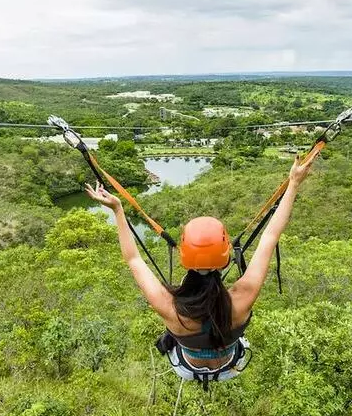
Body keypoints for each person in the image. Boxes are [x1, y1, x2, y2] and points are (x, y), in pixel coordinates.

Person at [84, 154, 315, 385]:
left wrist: (118, 209)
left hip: (186, 368)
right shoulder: (242, 297)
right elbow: (270, 236)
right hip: (230, 367)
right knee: (232, 341)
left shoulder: (170, 306)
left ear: (184, 256)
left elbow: (134, 259)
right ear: (225, 258)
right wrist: (294, 183)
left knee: (175, 341)